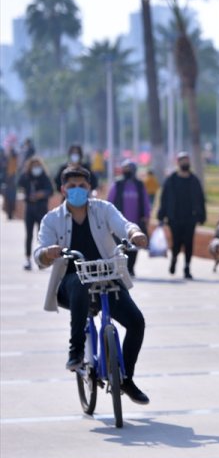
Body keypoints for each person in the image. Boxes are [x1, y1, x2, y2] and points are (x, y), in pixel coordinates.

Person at [33, 164, 150, 404]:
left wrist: (135, 234)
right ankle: (76, 350)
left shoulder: (103, 209)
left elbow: (124, 225)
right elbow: (39, 254)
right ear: (63, 189)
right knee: (79, 283)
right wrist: (48, 253)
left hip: (107, 277)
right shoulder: (52, 219)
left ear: (90, 188)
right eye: (72, 186)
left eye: (82, 186)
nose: (77, 190)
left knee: (136, 322)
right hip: (71, 285)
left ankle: (126, 378)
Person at [156, 151, 206, 279]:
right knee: (176, 242)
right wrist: (162, 215)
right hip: (174, 218)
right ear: (178, 163)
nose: (185, 163)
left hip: (190, 218)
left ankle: (187, 267)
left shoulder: (194, 180)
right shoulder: (171, 180)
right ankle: (174, 260)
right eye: (182, 161)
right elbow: (164, 198)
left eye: (187, 160)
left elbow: (200, 199)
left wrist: (202, 215)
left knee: (189, 243)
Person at [108, 160, 151, 277]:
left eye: (129, 169)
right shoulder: (117, 184)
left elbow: (146, 202)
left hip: (135, 222)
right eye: (125, 168)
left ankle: (131, 268)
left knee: (134, 247)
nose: (127, 171)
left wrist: (147, 215)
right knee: (121, 247)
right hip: (119, 223)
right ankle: (123, 268)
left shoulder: (139, 185)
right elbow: (110, 202)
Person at [18, 156, 53, 270]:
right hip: (30, 209)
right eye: (33, 166)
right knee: (29, 235)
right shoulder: (27, 176)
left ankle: (41, 260)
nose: (36, 168)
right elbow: (19, 183)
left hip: (41, 209)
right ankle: (28, 259)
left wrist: (41, 194)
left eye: (38, 166)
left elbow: (50, 191)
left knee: (41, 236)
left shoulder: (44, 177)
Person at [4, 145, 18, 220]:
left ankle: (10, 214)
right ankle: (10, 214)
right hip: (10, 180)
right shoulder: (11, 159)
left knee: (11, 198)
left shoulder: (12, 159)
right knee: (10, 198)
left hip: (11, 179)